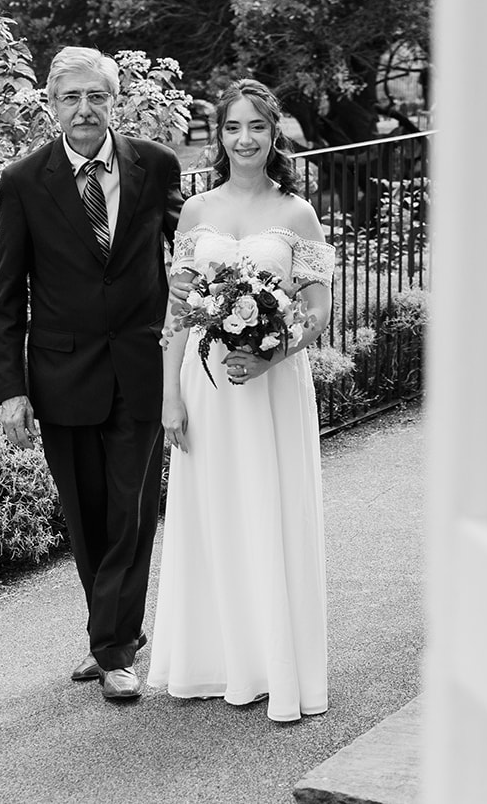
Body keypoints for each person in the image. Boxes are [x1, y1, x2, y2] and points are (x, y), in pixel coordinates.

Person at [0, 47, 185, 703]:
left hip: (141, 367)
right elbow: (7, 295)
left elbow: (193, 252)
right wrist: (11, 388)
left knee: (130, 511)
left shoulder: (155, 167)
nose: (83, 109)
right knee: (87, 516)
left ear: (113, 101)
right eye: (70, 97)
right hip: (61, 374)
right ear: (50, 103)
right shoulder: (22, 181)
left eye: (95, 97)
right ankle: (113, 632)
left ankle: (113, 648)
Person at [147, 79, 334, 721]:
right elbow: (175, 313)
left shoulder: (296, 215)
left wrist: (271, 353)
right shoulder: (196, 214)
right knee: (214, 513)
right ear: (218, 137)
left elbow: (316, 312)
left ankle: (279, 665)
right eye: (233, 128)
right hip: (209, 389)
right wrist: (170, 396)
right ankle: (223, 660)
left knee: (273, 510)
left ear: (273, 133)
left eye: (257, 126)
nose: (245, 139)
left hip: (274, 388)